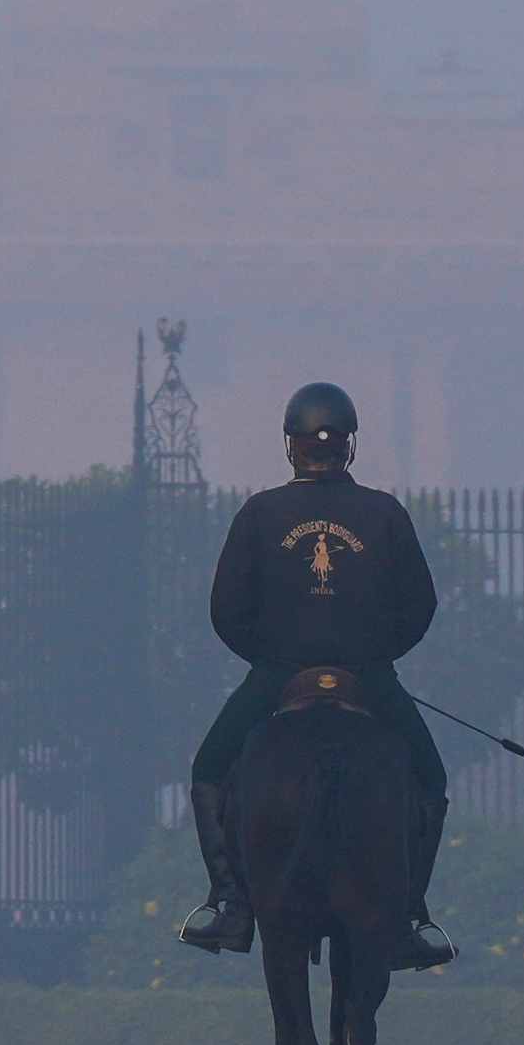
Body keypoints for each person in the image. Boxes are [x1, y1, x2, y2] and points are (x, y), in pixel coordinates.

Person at [175, 383, 452, 969]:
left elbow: (226, 612)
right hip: (367, 680)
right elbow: (420, 605)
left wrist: (272, 662)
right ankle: (409, 914)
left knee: (208, 770)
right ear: (349, 447)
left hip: (279, 680)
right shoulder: (384, 513)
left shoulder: (260, 513)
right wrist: (375, 659)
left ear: (289, 446)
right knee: (429, 780)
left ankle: (229, 902)